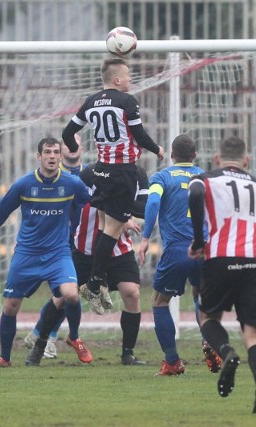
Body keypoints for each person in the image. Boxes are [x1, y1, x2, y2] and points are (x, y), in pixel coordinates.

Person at [0, 137, 91, 368]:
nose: (53, 156)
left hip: (58, 253)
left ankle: (74, 337)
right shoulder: (24, 184)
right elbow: (1, 214)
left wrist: (122, 221)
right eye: (48, 152)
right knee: (10, 306)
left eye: (56, 152)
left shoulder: (71, 183)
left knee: (72, 295)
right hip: (27, 253)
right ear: (39, 156)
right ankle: (4, 358)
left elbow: (92, 203)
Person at [61, 57, 164, 314]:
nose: (130, 79)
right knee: (112, 231)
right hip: (123, 172)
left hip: (101, 169)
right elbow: (139, 136)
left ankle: (97, 282)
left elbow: (66, 134)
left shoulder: (91, 101)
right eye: (128, 75)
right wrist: (158, 149)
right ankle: (95, 283)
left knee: (104, 225)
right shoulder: (128, 102)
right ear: (117, 79)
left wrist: (73, 148)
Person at [25, 162, 149, 367]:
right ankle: (39, 346)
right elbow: (85, 200)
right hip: (85, 249)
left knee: (132, 293)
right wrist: (119, 210)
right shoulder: (92, 172)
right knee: (62, 297)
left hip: (118, 250)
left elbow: (144, 207)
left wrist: (123, 211)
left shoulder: (139, 174)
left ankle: (128, 354)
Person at [188, 136, 256, 414]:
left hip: (221, 256)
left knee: (208, 317)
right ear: (246, 161)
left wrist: (199, 242)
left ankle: (226, 353)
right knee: (253, 335)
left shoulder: (206, 178)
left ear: (216, 158)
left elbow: (195, 194)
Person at [137, 134, 222, 376]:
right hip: (203, 248)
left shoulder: (162, 177)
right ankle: (209, 342)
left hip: (176, 250)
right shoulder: (207, 179)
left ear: (172, 155)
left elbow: (152, 203)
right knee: (201, 296)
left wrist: (144, 239)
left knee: (159, 301)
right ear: (195, 155)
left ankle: (172, 361)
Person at [24, 134, 87, 359]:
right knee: (63, 295)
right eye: (67, 145)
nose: (71, 148)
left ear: (82, 148)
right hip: (61, 244)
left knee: (66, 296)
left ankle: (40, 334)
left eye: (75, 144)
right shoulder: (54, 177)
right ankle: (47, 337)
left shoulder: (89, 175)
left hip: (86, 243)